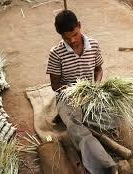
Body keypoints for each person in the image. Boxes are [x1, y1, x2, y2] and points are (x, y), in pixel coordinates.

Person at [46, 10, 118, 174]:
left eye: (75, 34)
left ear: (79, 26)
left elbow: (98, 69)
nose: (72, 40)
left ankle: (81, 121)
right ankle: (105, 165)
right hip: (68, 97)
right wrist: (71, 91)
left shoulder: (93, 44)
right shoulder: (56, 53)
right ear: (61, 36)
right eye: (66, 38)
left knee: (117, 115)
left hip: (90, 94)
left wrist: (96, 86)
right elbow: (55, 85)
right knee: (77, 129)